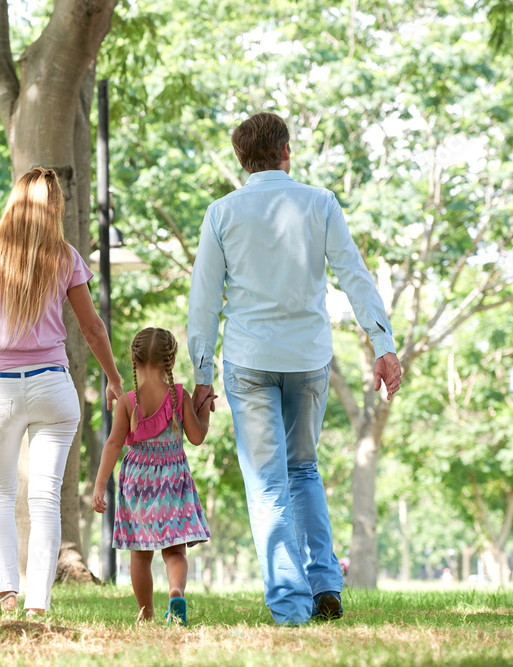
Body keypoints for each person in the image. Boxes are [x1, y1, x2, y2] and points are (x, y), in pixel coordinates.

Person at [187, 112, 403, 625]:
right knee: (303, 469)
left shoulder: (221, 213)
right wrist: (383, 344)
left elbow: (203, 301)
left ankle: (290, 604)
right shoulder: (320, 203)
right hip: (308, 359)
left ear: (242, 159)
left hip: (249, 361)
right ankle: (325, 583)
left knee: (267, 482)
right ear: (287, 151)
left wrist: (201, 373)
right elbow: (354, 273)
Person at [0, 167, 124, 618]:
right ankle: (38, 606)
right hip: (52, 387)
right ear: (56, 209)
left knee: (1, 493)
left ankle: (7, 594)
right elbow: (92, 326)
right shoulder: (64, 256)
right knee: (45, 499)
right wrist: (114, 379)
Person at [92, 327, 214, 625]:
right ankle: (175, 591)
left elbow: (113, 444)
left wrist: (99, 485)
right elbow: (196, 437)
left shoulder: (128, 401)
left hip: (138, 482)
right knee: (175, 551)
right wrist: (206, 410)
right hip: (173, 478)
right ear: (170, 362)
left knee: (140, 554)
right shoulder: (179, 396)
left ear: (133, 359)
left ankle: (146, 613)